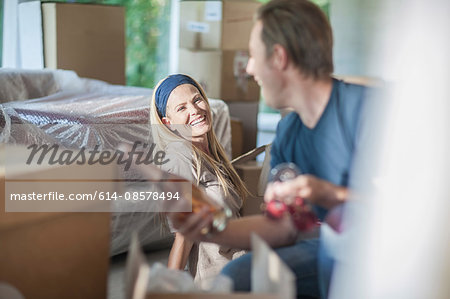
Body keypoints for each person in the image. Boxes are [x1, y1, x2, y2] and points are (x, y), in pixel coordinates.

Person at [168, 0, 370, 298]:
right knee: (238, 274)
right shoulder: (288, 132)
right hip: (325, 244)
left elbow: (419, 210)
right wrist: (211, 228)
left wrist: (331, 194)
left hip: (379, 249)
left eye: (253, 55)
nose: (249, 68)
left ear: (279, 57)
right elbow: (283, 228)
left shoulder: (367, 111)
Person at [149, 74, 248, 282]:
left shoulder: (212, 155)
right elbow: (184, 238)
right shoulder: (179, 156)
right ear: (168, 123)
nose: (195, 110)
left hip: (243, 266)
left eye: (197, 99)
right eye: (181, 108)